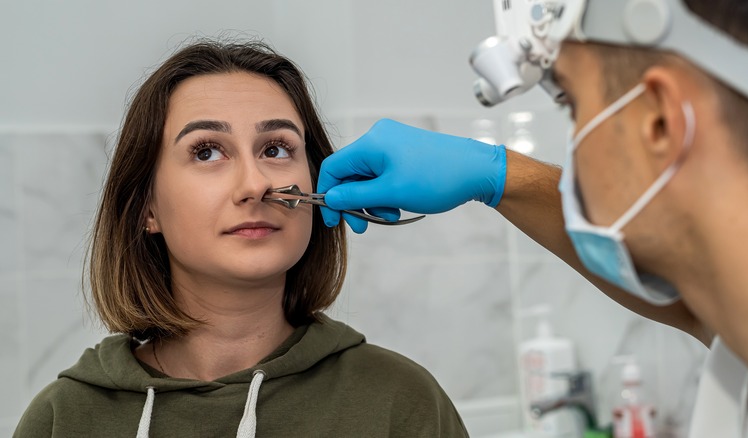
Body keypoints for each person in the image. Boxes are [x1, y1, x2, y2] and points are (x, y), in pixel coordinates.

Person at [316, 1, 748, 436]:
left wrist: (496, 173)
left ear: (659, 122)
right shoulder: (747, 342)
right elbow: (698, 308)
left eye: (572, 105)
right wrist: (497, 175)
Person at [13, 40, 467, 438]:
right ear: (147, 208)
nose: (255, 185)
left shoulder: (401, 401)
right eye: (207, 151)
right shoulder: (61, 418)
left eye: (276, 149)